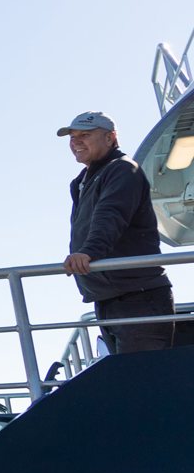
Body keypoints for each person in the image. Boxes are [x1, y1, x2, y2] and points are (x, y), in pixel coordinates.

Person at [59, 111, 176, 353]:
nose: (76, 142)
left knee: (142, 380)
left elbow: (111, 215)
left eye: (85, 135)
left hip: (138, 296)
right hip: (108, 297)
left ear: (111, 137)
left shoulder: (122, 169)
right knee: (128, 382)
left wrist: (89, 252)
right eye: (72, 136)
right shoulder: (83, 180)